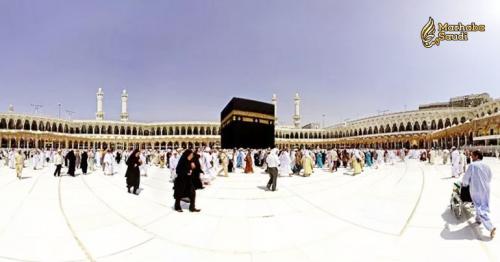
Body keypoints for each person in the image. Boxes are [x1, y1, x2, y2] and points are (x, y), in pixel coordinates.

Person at [462, 150, 496, 239]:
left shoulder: (472, 165)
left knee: (479, 206)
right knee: (483, 204)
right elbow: (489, 177)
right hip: (486, 188)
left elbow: (466, 178)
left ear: (477, 156)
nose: (471, 157)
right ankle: (478, 219)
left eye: (472, 156)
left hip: (476, 189)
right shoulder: (486, 165)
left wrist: (464, 184)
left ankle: (490, 227)